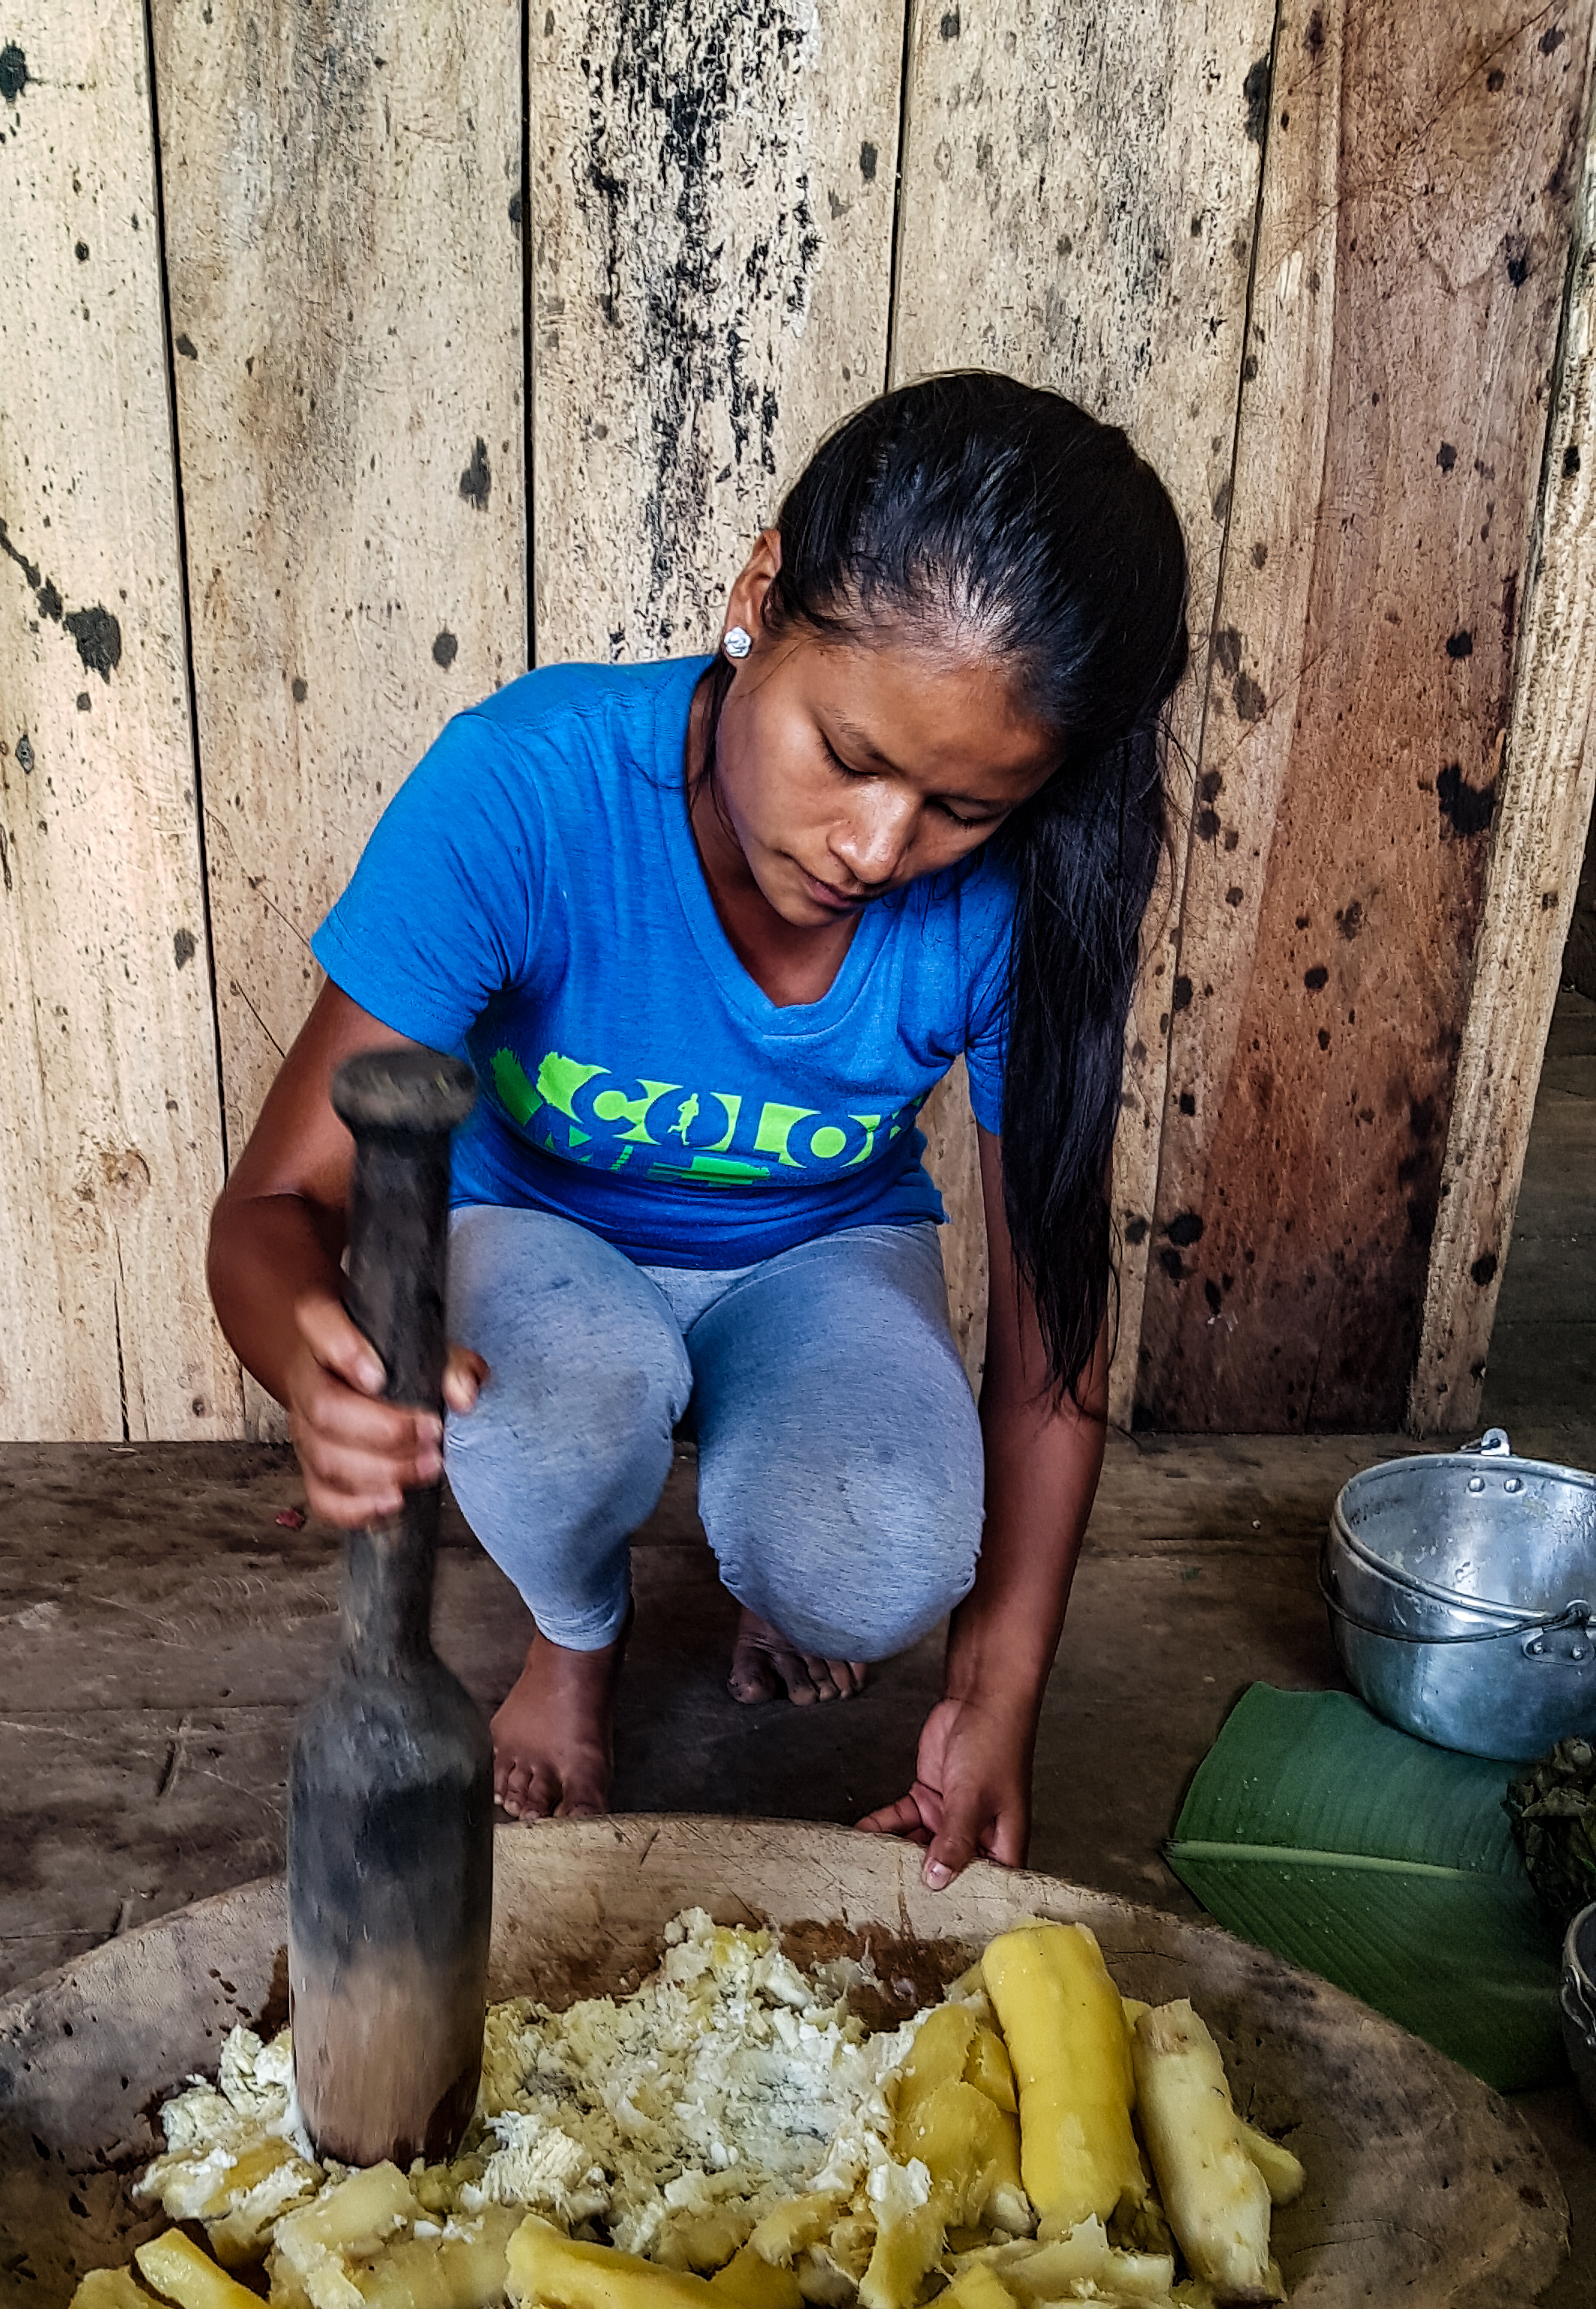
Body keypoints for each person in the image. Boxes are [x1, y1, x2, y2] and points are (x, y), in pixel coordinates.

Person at [207, 372, 1189, 1885]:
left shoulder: (1020, 902)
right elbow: (275, 1204)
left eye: (963, 809)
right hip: (543, 1242)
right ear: (759, 597)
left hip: (820, 1256)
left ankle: (774, 1579)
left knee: (877, 1549)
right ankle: (574, 1644)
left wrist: (996, 1701)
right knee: (542, 1411)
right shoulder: (531, 786)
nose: (877, 849)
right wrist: (307, 1362)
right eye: (850, 758)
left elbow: (1052, 1363)